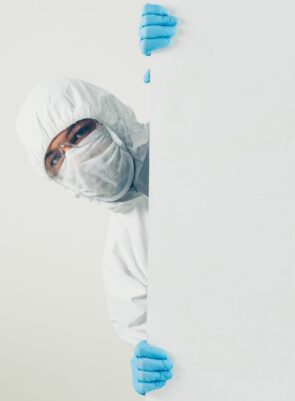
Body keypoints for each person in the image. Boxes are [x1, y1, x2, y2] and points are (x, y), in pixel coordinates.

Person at [15, 3, 178, 397]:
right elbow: (162, 339)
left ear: (109, 117)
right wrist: (159, 367)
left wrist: (191, 63)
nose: (75, 155)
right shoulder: (123, 255)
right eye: (55, 157)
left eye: (78, 133)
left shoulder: (187, 129)